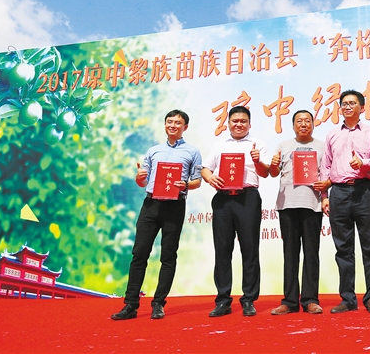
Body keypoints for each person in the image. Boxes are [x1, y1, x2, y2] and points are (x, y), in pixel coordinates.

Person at [111, 109, 202, 320]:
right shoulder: (153, 151)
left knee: (168, 256)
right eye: (169, 122)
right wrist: (139, 178)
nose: (173, 125)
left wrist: (185, 185)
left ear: (185, 127)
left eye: (177, 123)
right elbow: (142, 181)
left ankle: (159, 303)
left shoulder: (193, 152)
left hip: (175, 206)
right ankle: (130, 304)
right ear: (165, 124)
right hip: (151, 205)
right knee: (139, 253)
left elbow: (197, 181)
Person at [319, 90, 370, 314]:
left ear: (362, 107)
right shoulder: (332, 134)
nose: (347, 107)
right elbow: (326, 167)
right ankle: (347, 298)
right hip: (338, 193)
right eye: (344, 104)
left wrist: (362, 163)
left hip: (365, 190)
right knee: (343, 248)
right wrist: (325, 196)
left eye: (352, 103)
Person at [200, 106, 270, 317]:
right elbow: (205, 168)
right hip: (223, 200)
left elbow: (265, 173)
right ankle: (223, 300)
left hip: (247, 198)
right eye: (235, 121)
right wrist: (210, 178)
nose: (239, 124)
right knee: (222, 250)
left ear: (249, 124)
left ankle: (248, 299)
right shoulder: (219, 145)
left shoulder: (257, 144)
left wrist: (257, 160)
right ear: (228, 123)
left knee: (250, 250)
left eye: (243, 121)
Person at [267, 110, 328, 314]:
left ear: (313, 124)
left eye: (307, 121)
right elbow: (273, 173)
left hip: (312, 204)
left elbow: (326, 174)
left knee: (311, 252)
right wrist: (273, 165)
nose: (303, 124)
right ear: (293, 125)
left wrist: (325, 194)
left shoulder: (322, 146)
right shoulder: (284, 145)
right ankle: (290, 301)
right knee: (290, 253)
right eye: (299, 121)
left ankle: (310, 299)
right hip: (287, 204)